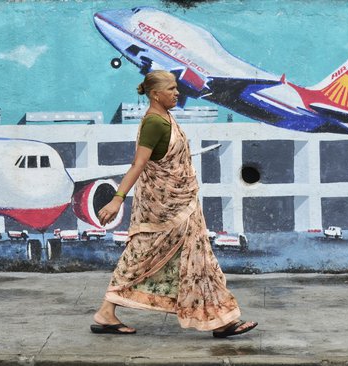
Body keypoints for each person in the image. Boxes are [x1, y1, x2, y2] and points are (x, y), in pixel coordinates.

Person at [91, 70, 257, 338]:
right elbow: (139, 164)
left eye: (176, 88)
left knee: (198, 258)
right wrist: (116, 199)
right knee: (144, 254)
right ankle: (106, 312)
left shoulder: (166, 118)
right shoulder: (154, 123)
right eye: (171, 89)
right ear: (155, 94)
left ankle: (221, 319)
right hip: (165, 207)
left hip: (181, 203)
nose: (177, 93)